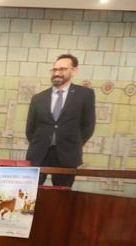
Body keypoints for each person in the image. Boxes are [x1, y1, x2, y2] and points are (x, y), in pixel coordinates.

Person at [26, 53, 95, 187]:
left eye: (62, 69)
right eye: (55, 70)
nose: (57, 73)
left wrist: (74, 143)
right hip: (39, 154)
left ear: (74, 71)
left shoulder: (85, 95)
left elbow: (88, 126)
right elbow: (30, 129)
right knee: (31, 195)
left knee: (63, 197)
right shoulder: (38, 98)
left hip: (68, 154)